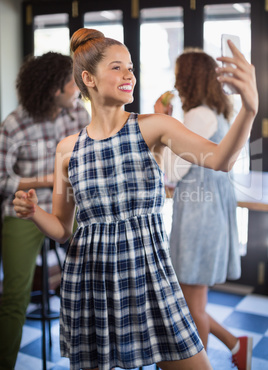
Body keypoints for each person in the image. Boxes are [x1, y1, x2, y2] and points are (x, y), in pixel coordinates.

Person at [13, 28, 258, 370]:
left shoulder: (153, 126)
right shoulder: (67, 149)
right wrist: (34, 212)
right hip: (91, 281)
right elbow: (61, 229)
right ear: (89, 78)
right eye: (117, 67)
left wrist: (249, 108)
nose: (130, 74)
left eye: (130, 66)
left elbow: (222, 160)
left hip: (151, 273)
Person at [155, 48, 253, 370]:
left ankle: (198, 364)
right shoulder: (217, 111)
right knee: (190, 296)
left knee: (191, 301)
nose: (175, 81)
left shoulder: (198, 115)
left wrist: (163, 122)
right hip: (211, 211)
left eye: (179, 74)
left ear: (188, 78)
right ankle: (234, 343)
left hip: (198, 216)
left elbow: (171, 171)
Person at [0, 52, 90, 370]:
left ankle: (89, 360)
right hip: (23, 211)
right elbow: (0, 179)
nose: (78, 89)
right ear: (56, 90)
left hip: (70, 208)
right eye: (72, 84)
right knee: (14, 296)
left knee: (91, 283)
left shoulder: (77, 115)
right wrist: (46, 179)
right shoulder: (14, 124)